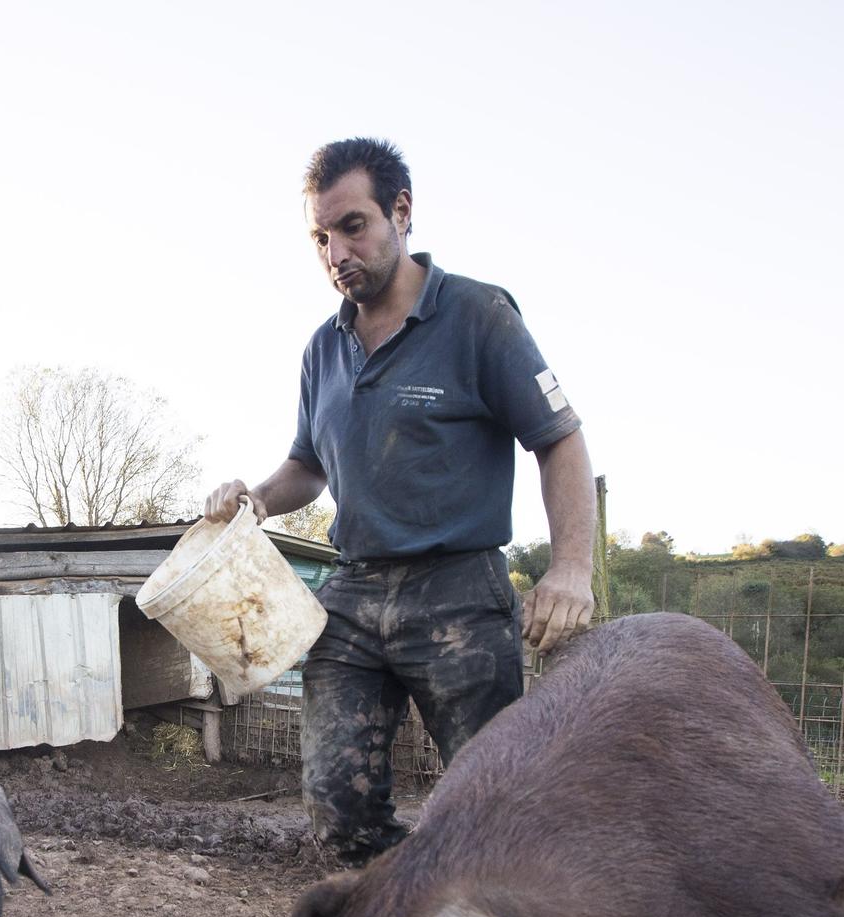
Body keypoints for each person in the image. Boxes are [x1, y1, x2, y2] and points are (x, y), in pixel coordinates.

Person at [205, 137, 597, 866]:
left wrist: (572, 565)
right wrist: (256, 499)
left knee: (500, 810)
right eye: (320, 237)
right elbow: (307, 465)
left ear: (401, 212)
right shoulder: (322, 349)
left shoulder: (478, 315)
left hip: (458, 594)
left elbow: (561, 439)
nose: (335, 251)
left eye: (352, 226)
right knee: (338, 806)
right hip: (352, 596)